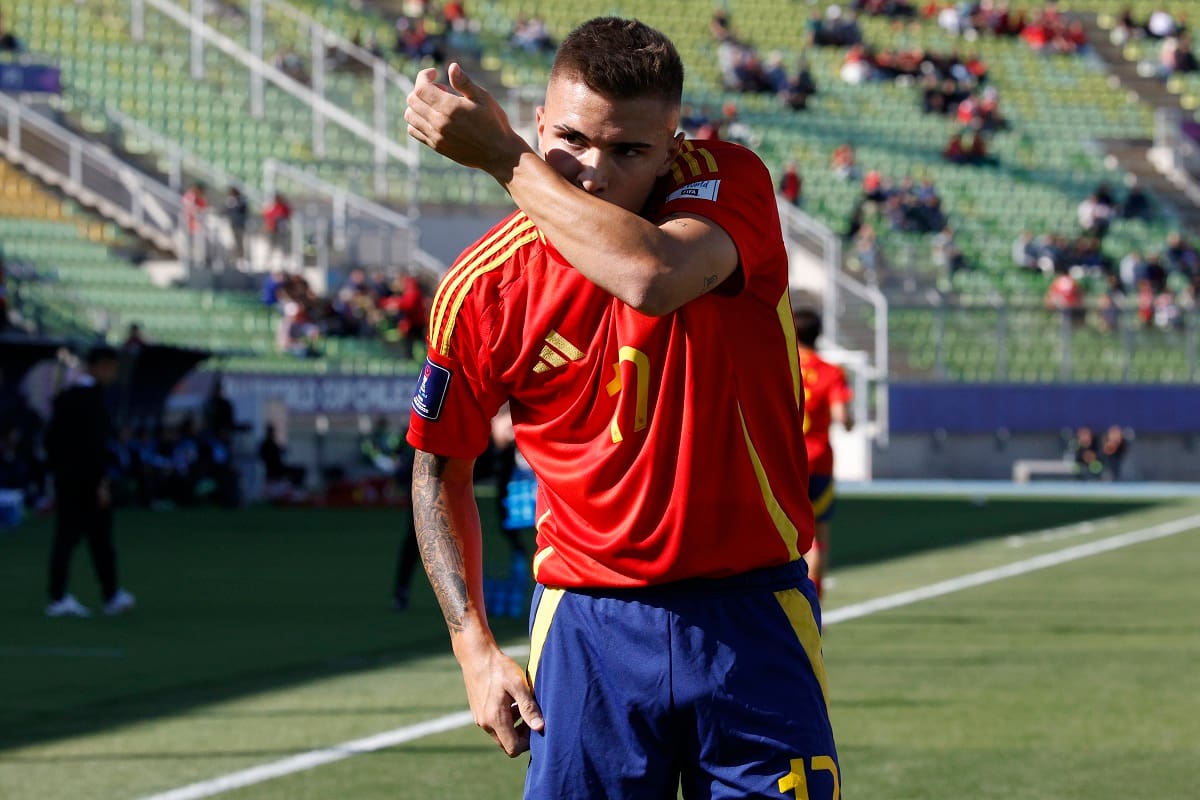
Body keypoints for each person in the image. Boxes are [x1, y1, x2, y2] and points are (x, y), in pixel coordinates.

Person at [404, 17, 837, 798]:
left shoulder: (726, 181)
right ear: (539, 122)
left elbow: (653, 275)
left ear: (673, 147)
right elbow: (440, 473)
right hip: (587, 627)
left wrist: (508, 159)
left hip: (752, 614)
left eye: (629, 150)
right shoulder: (482, 290)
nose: (592, 171)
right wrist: (474, 649)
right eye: (569, 139)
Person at [43, 345, 136, 617]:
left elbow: (52, 440)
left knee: (86, 538)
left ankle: (106, 593)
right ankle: (68, 596)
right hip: (86, 480)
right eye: (112, 367)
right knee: (86, 538)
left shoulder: (68, 396)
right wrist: (100, 482)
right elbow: (94, 446)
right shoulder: (90, 399)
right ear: (102, 365)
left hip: (67, 477)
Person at [793, 309, 853, 601]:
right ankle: (814, 608)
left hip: (784, 463)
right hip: (818, 463)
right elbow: (843, 417)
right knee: (818, 540)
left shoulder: (781, 364)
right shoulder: (831, 372)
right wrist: (849, 420)